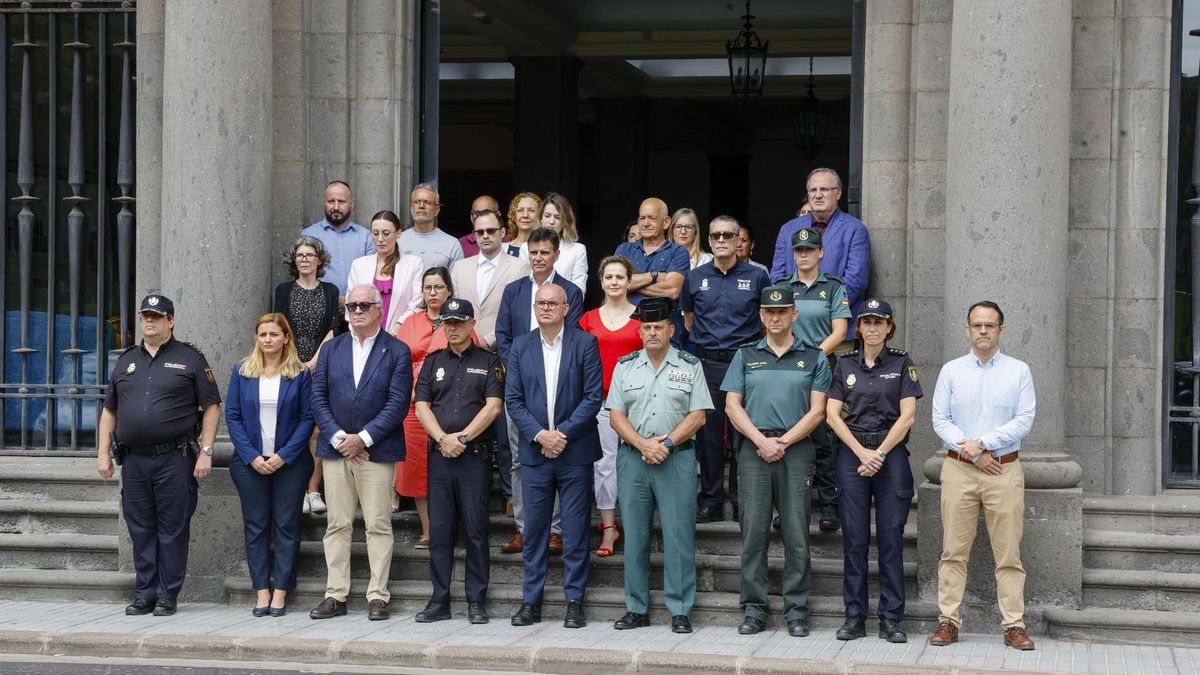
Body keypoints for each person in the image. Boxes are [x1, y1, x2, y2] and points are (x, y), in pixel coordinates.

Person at [96, 294, 221, 617]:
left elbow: (211, 406)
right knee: (140, 528)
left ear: (171, 321)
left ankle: (167, 594)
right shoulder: (126, 360)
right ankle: (144, 593)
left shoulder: (190, 358)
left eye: (156, 316)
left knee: (172, 528)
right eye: (145, 316)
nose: (149, 321)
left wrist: (206, 452)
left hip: (174, 458)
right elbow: (109, 410)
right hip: (134, 460)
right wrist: (102, 453)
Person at [722, 285, 830, 638]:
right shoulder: (745, 354)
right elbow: (732, 405)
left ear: (794, 314)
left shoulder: (815, 357)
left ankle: (796, 610)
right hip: (754, 450)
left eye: (782, 311)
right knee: (753, 533)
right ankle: (754, 609)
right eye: (769, 311)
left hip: (795, 450)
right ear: (761, 315)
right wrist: (759, 440)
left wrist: (782, 441)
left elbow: (818, 411)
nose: (776, 317)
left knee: (797, 534)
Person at [929, 301, 1036, 651]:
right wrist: (973, 453)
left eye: (990, 325)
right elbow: (940, 420)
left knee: (1008, 554)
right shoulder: (951, 371)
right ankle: (948, 621)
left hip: (1003, 470)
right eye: (977, 325)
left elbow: (1024, 419)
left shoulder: (1019, 371)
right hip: (959, 469)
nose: (983, 331)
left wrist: (985, 445)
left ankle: (1014, 625)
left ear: (1002, 330)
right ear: (967, 330)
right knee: (953, 551)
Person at [606, 297, 712, 634]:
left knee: (678, 535)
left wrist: (665, 444)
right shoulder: (625, 366)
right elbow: (616, 416)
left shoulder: (690, 365)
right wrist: (642, 445)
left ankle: (680, 609)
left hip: (676, 458)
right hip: (633, 459)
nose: (652, 332)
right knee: (635, 535)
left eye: (658, 327)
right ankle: (636, 608)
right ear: (640, 331)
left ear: (671, 329)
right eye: (647, 327)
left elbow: (698, 415)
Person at [308, 284, 413, 623]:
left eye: (364, 305)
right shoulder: (331, 349)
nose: (357, 310)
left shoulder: (397, 350)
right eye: (351, 305)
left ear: (378, 308)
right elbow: (318, 398)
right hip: (336, 451)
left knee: (378, 525)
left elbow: (397, 404)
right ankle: (335, 595)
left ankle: (378, 596)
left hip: (376, 452)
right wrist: (342, 438)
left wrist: (363, 439)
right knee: (336, 525)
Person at [505, 283, 603, 629]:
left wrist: (560, 434)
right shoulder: (520, 346)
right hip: (535, 452)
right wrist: (540, 434)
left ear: (565, 308)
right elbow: (513, 400)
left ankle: (574, 600)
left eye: (552, 303)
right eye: (540, 303)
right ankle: (531, 601)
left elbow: (593, 397)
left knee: (575, 530)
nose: (545, 308)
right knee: (534, 531)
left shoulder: (585, 343)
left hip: (573, 451)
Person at [825, 299, 921, 643]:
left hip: (889, 455)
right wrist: (860, 452)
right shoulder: (844, 364)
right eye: (867, 322)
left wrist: (877, 452)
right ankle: (854, 616)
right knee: (854, 539)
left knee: (891, 540)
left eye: (879, 322)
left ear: (889, 327)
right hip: (853, 454)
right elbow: (832, 414)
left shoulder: (902, 363)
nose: (873, 328)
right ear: (859, 327)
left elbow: (908, 416)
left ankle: (891, 618)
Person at [412, 298, 504, 625]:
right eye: (447, 323)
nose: (452, 328)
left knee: (477, 531)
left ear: (471, 324)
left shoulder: (489, 361)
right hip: (440, 457)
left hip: (473, 457)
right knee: (440, 532)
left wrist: (463, 438)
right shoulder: (432, 361)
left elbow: (493, 407)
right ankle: (439, 600)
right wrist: (442, 439)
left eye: (458, 322)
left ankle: (476, 602)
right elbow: (422, 406)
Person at [494, 227, 583, 554]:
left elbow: (572, 340)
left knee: (557, 455)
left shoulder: (570, 292)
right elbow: (502, 335)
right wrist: (517, 369)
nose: (539, 258)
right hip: (519, 389)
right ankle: (524, 528)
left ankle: (555, 530)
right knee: (520, 461)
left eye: (545, 252)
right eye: (533, 253)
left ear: (557, 254)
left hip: (559, 391)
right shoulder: (514, 291)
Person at [681, 216, 770, 523]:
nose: (721, 240)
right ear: (709, 240)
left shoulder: (757, 277)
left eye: (727, 235)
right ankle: (711, 499)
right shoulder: (695, 277)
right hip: (707, 363)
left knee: (742, 434)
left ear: (737, 241)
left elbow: (764, 321)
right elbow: (689, 319)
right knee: (708, 435)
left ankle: (741, 499)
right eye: (716, 235)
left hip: (745, 362)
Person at [225, 313, 315, 617]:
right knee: (256, 527)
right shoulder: (242, 371)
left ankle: (280, 592)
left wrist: (283, 455)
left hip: (290, 464)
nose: (267, 340)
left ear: (286, 338)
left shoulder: (300, 374)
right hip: (250, 464)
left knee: (287, 526)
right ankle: (261, 590)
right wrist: (252, 455)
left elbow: (308, 418)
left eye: (273, 334)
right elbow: (233, 416)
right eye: (262, 334)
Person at [451, 209, 531, 514]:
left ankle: (511, 494)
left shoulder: (519, 267)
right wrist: (468, 339)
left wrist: (488, 338)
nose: (485, 236)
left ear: (502, 233)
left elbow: (517, 315)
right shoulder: (460, 268)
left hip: (502, 352)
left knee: (505, 427)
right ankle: (475, 491)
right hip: (467, 353)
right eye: (480, 232)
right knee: (469, 418)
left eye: (491, 231)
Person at [393, 267, 481, 546]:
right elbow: (396, 361)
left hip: (449, 406)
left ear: (449, 291)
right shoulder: (410, 323)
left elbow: (473, 359)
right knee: (418, 469)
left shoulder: (459, 323)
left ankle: (455, 526)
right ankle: (429, 529)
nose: (432, 293)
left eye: (438, 287)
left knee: (451, 465)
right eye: (428, 288)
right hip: (413, 407)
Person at [785, 227, 851, 532]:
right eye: (799, 250)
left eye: (809, 250)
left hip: (822, 368)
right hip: (786, 369)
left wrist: (811, 357)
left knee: (823, 439)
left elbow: (839, 332)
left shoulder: (834, 288)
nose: (804, 255)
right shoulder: (783, 287)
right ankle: (786, 506)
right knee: (789, 436)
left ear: (820, 252)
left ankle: (828, 506)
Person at [578, 256, 642, 557]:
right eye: (609, 277)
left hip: (637, 404)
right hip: (600, 403)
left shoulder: (643, 317)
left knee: (635, 463)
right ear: (601, 282)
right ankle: (609, 528)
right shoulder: (588, 319)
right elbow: (575, 362)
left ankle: (635, 521)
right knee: (604, 465)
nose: (614, 282)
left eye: (620, 277)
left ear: (629, 282)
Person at [273, 236, 339, 516]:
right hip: (288, 367)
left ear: (319, 260)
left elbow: (335, 329)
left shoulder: (331, 290)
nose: (304, 259)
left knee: (317, 430)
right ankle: (297, 490)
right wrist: (294, 360)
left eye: (309, 255)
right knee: (290, 429)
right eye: (299, 255)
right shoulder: (284, 290)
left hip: (321, 366)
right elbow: (278, 327)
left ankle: (313, 490)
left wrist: (313, 361)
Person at [770, 168, 871, 323]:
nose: (818, 195)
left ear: (838, 193)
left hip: (837, 328)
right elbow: (778, 277)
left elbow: (855, 281)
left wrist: (822, 313)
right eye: (813, 190)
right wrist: (795, 312)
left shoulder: (855, 229)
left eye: (824, 189)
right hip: (793, 327)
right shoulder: (788, 229)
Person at [614, 197, 690, 347]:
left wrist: (630, 283)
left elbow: (672, 290)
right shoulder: (625, 249)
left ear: (666, 222)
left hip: (664, 335)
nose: (646, 223)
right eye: (642, 218)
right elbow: (615, 284)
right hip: (626, 330)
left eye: (652, 218)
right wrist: (654, 276)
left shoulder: (678, 252)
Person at [346, 210, 425, 333]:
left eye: (386, 233)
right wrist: (357, 333)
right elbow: (350, 304)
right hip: (363, 336)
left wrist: (397, 329)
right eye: (375, 233)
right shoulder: (359, 265)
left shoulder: (414, 264)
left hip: (401, 335)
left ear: (398, 233)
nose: (380, 239)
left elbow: (416, 304)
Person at [300, 180, 374, 302]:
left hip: (358, 308)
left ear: (351, 204)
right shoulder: (309, 235)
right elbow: (302, 276)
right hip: (319, 307)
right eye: (331, 201)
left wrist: (348, 301)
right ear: (324, 203)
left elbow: (372, 274)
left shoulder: (365, 237)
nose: (336, 207)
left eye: (341, 202)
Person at [521, 192, 588, 292]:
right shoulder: (525, 247)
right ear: (541, 218)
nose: (551, 221)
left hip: (565, 304)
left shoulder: (578, 250)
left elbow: (579, 289)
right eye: (547, 216)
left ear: (565, 222)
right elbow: (523, 285)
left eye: (557, 217)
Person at [400, 183, 465, 269]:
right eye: (417, 202)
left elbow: (457, 281)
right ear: (411, 208)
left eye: (427, 202)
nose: (421, 206)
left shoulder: (452, 244)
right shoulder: (397, 241)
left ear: (437, 210)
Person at [505, 192, 540, 257]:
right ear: (513, 216)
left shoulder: (546, 250)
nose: (525, 215)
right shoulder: (502, 249)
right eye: (520, 210)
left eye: (531, 210)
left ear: (539, 215)